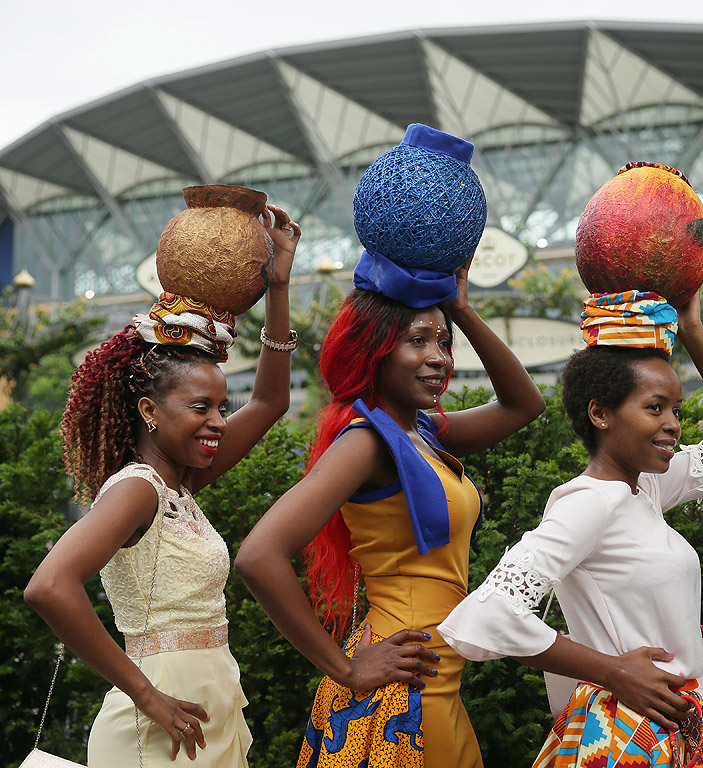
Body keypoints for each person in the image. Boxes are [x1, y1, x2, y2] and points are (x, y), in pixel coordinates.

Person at [439, 289, 703, 767]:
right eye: (655, 407)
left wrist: (692, 329)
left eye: (677, 411)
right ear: (599, 414)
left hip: (674, 730)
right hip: (625, 736)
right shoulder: (588, 502)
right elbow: (491, 613)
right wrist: (614, 671)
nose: (674, 426)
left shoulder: (648, 488)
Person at [24, 204, 313, 766]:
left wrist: (278, 286)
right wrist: (145, 694)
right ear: (150, 410)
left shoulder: (180, 485)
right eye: (200, 407)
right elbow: (49, 586)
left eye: (221, 407)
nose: (219, 421)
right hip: (159, 722)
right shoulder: (137, 490)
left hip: (210, 708)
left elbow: (272, 402)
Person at [235, 249, 545, 767]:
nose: (438, 357)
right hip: (407, 687)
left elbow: (523, 405)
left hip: (436, 675)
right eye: (417, 341)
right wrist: (347, 668)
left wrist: (462, 310)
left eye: (444, 343)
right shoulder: (367, 441)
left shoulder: (421, 432)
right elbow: (258, 555)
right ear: (374, 350)